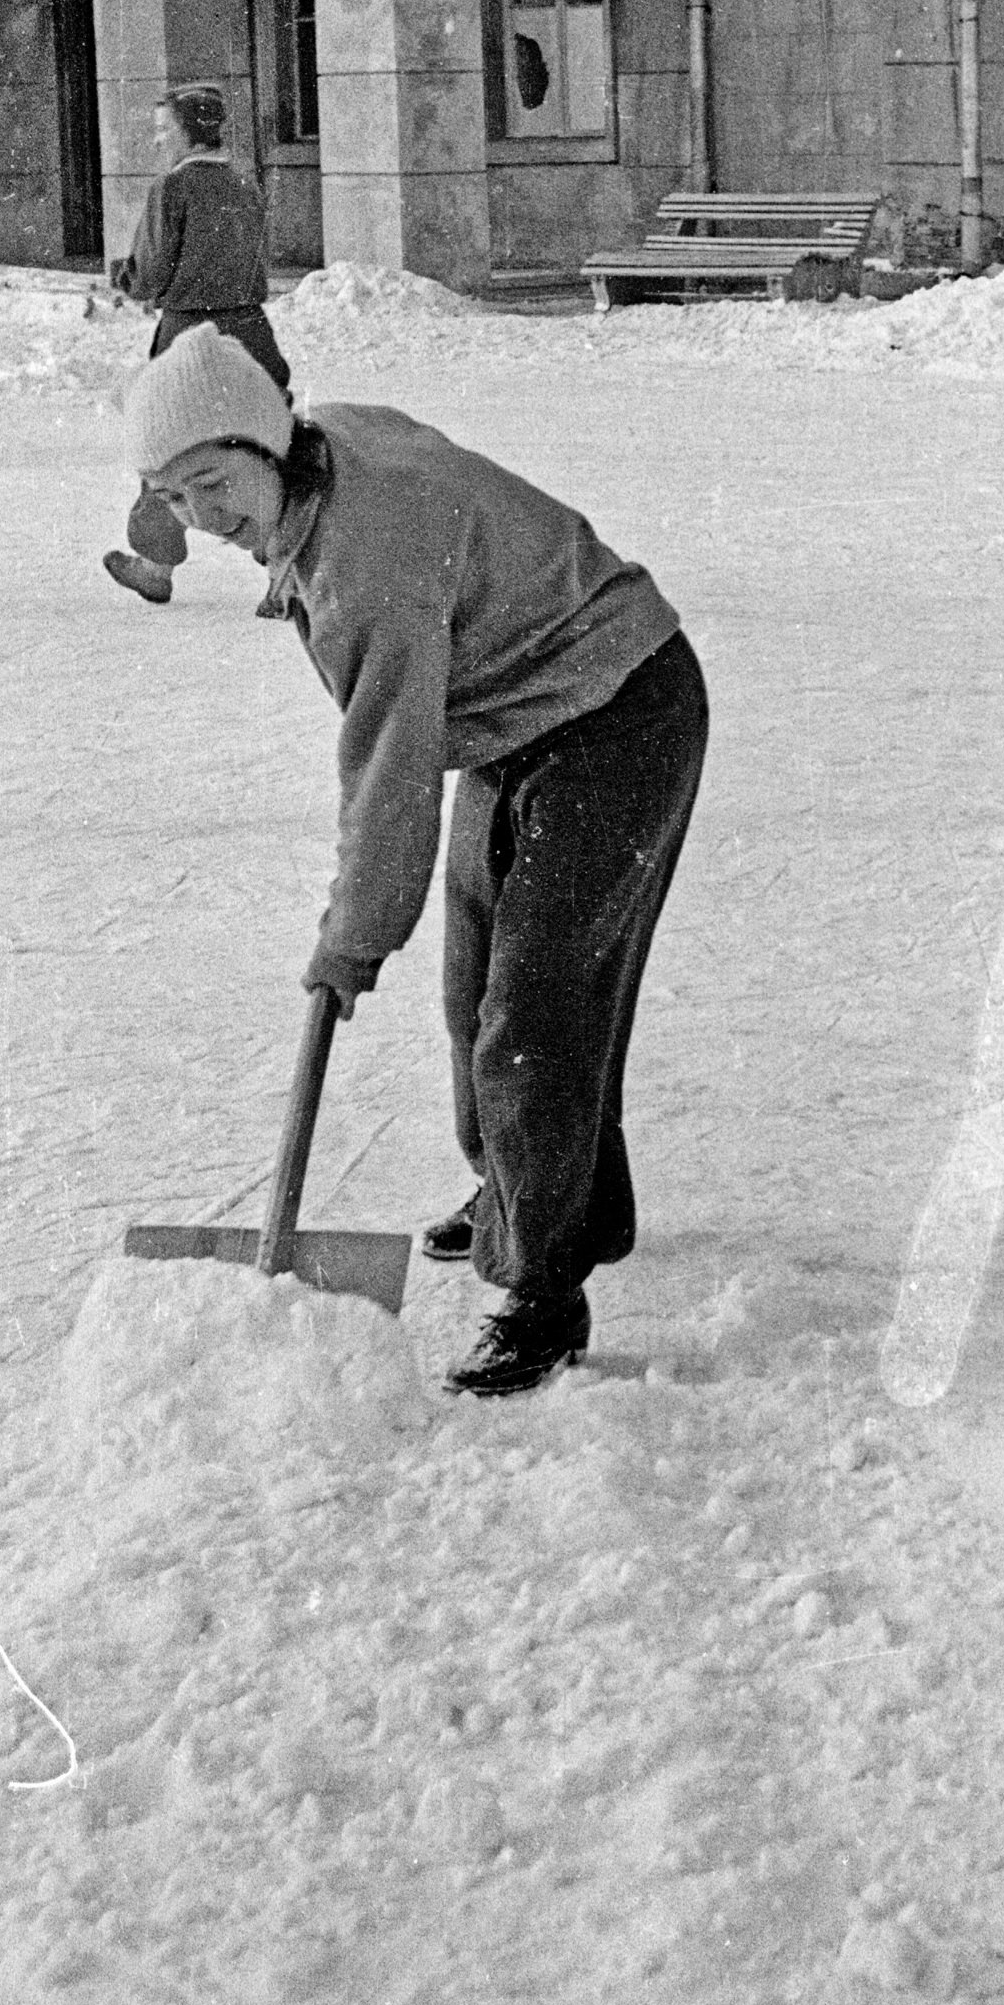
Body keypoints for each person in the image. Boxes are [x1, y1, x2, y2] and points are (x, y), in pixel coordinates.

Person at [117, 325, 708, 1396]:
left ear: (265, 443)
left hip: (619, 706)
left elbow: (391, 775)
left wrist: (349, 942)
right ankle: (536, 1197)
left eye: (212, 483)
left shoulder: (363, 567)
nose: (202, 520)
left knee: (536, 1009)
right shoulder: (326, 453)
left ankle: (543, 1291)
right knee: (477, 987)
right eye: (173, 496)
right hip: (523, 715)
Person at [105, 83, 290, 608]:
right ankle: (287, 569)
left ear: (189, 132)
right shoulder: (245, 183)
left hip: (188, 332)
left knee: (168, 444)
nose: (160, 140)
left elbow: (149, 273)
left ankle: (155, 565)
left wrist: (127, 278)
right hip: (251, 329)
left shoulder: (172, 188)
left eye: (165, 129)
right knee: (265, 446)